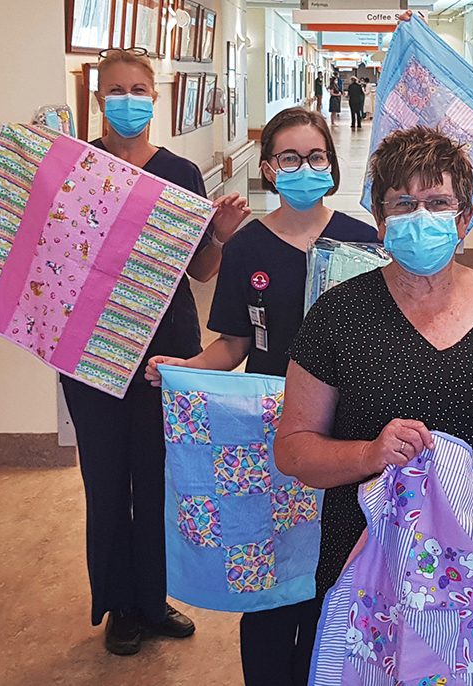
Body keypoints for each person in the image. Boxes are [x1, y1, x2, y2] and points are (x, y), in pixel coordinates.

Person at [272, 127, 473, 664]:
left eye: (439, 202)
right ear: (380, 221)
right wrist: (370, 453)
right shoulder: (340, 315)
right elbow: (294, 449)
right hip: (373, 564)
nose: (422, 217)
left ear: (464, 218)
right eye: (404, 204)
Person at [144, 106, 376, 685]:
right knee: (271, 583)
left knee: (332, 576)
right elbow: (233, 344)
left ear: (333, 163)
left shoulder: (364, 240)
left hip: (347, 432)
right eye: (290, 158)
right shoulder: (247, 248)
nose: (305, 167)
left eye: (316, 157)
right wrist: (188, 367)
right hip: (270, 435)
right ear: (270, 168)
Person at [60, 46, 251, 657]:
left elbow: (201, 272)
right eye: (114, 89)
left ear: (155, 96)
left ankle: (152, 595)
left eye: (137, 89)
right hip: (92, 350)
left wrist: (218, 238)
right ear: (97, 98)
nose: (127, 100)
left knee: (161, 477)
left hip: (164, 349)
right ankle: (119, 604)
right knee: (108, 477)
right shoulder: (78, 165)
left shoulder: (181, 174)